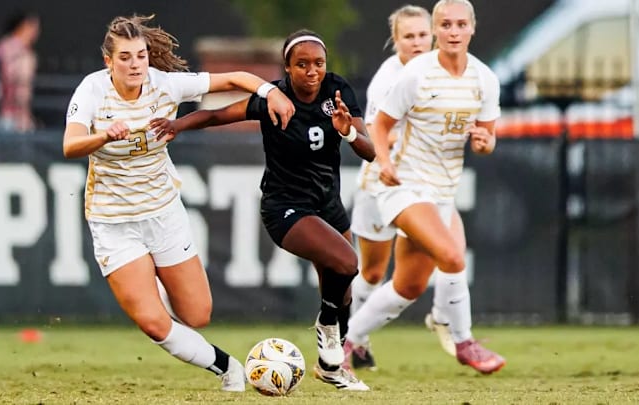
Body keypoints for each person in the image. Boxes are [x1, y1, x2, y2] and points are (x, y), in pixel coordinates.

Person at [62, 14, 295, 392]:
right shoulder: (92, 90)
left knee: (197, 314)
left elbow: (236, 79)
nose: (135, 64)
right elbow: (70, 145)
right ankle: (228, 368)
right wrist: (102, 135)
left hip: (164, 213)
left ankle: (162, 293)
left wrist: (273, 93)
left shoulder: (166, 84)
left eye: (140, 55)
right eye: (125, 57)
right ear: (109, 61)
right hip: (113, 222)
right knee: (154, 323)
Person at [150, 29, 376, 391]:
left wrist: (348, 133)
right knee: (348, 263)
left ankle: (331, 368)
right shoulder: (275, 98)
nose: (312, 71)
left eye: (318, 63)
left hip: (328, 202)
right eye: (301, 64)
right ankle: (327, 330)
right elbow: (217, 116)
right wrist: (177, 124)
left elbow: (371, 151)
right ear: (287, 67)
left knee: (343, 289)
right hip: (285, 206)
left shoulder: (337, 91)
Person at [344, 0, 506, 375]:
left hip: (443, 190)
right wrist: (384, 163)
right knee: (451, 256)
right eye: (445, 24)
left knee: (408, 285)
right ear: (438, 30)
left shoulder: (484, 79)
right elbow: (379, 127)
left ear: (472, 28)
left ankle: (344, 345)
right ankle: (464, 340)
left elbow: (488, 138)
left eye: (460, 24)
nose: (453, 31)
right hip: (403, 183)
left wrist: (485, 143)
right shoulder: (414, 73)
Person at [0, 11, 40, 132]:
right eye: (33, 27)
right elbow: (6, 75)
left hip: (23, 113)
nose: (36, 32)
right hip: (7, 112)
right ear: (23, 26)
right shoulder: (7, 47)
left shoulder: (28, 53)